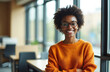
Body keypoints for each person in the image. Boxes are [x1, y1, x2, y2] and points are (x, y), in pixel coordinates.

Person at [45, 5, 97, 72]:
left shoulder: (86, 46)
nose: (69, 27)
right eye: (65, 24)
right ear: (60, 27)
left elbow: (90, 70)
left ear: (77, 26)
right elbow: (50, 70)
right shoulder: (54, 49)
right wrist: (76, 71)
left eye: (73, 23)